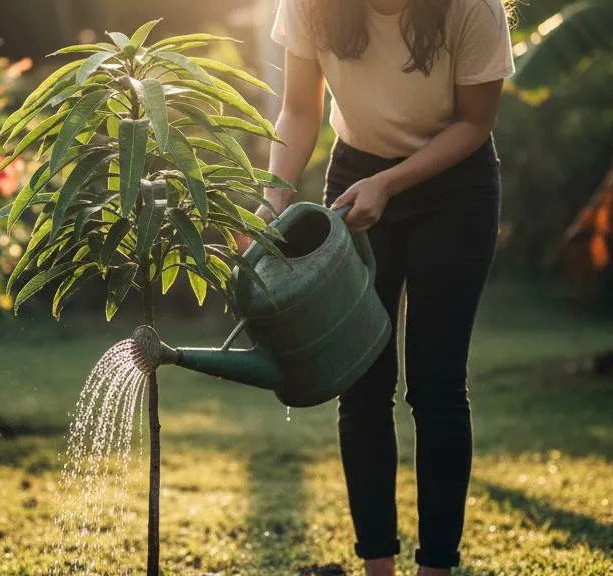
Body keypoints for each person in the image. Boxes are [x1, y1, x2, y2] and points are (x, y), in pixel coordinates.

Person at [250, 0, 515, 574]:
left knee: (436, 383)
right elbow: (299, 109)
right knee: (363, 385)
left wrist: (390, 183)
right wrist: (271, 204)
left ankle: (436, 566)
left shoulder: (472, 7)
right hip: (354, 177)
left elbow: (476, 122)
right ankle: (378, 567)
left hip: (454, 190)